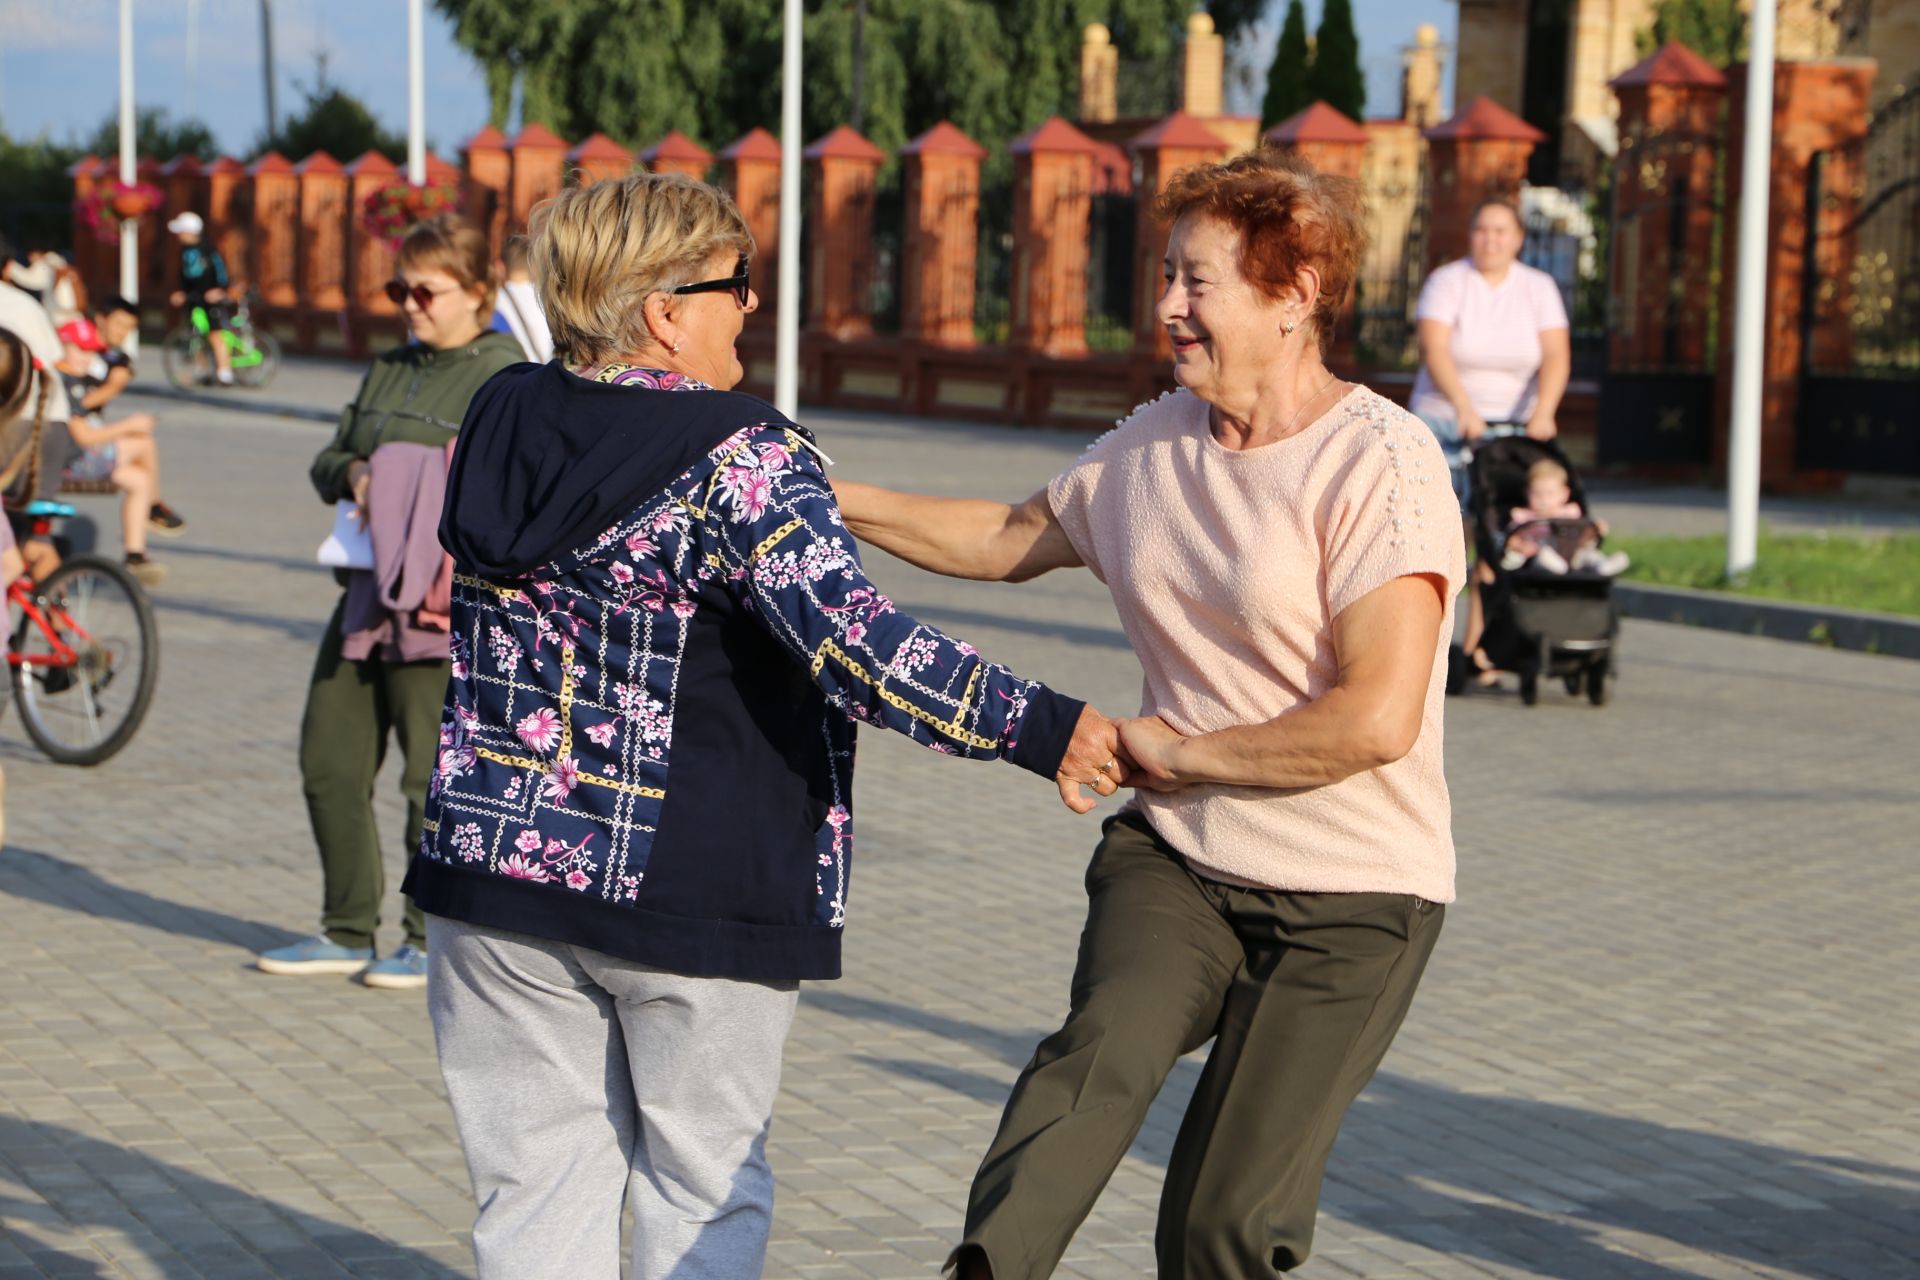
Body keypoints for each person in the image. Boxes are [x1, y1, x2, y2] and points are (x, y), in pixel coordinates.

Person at [401, 172, 1122, 1280]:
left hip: (492, 874)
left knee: (533, 1191)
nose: (749, 305)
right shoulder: (738, 449)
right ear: (664, 311)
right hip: (688, 883)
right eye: (736, 285)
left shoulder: (497, 409)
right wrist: (1048, 726)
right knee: (702, 1192)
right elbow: (858, 645)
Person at [834, 146, 1464, 1279]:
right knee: (1094, 1061)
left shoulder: (1383, 461)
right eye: (1167, 274)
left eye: (1198, 280)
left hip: (1356, 891)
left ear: (1297, 291)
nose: (1168, 305)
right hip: (1181, 854)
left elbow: (1377, 717)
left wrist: (1183, 747)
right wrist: (821, 490)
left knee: (1223, 1217)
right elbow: (998, 539)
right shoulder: (1153, 445)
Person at [254, 214, 524, 990]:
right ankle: (345, 928)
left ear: (478, 291)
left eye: (425, 290)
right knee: (328, 762)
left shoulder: (504, 376)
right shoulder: (389, 366)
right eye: (397, 288)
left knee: (426, 780)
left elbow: (510, 484)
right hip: (367, 591)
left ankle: (421, 936)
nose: (408, 303)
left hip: (445, 609)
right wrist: (359, 475)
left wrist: (413, 476)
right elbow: (329, 455)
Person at [1410, 198, 1570, 662]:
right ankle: (1427, 643)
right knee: (1444, 533)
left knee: (1499, 539)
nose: (1491, 240)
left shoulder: (1537, 288)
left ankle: (1481, 647)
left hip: (1513, 427)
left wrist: (1546, 410)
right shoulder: (1448, 282)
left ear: (1518, 238)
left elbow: (1556, 355)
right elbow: (1434, 347)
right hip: (1448, 419)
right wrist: (1462, 406)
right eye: (1482, 230)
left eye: (1501, 231)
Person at [55, 300, 186, 587]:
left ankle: (135, 555)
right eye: (80, 350)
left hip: (81, 452)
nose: (86, 357)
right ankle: (154, 507)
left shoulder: (113, 360)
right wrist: (125, 420)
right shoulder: (62, 378)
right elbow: (82, 432)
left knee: (139, 478)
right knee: (142, 441)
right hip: (70, 457)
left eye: (130, 328)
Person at [0, 262, 78, 581]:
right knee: (36, 539)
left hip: (14, 425)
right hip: (54, 422)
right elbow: (56, 359)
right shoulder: (25, 303)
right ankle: (60, 630)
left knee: (16, 547)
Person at [1500, 457, 1628, 576]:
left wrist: (1597, 530)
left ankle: (1603, 566)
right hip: (1540, 555)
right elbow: (1511, 539)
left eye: (1550, 494)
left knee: (1589, 554)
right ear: (1527, 493)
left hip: (1573, 553)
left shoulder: (1570, 513)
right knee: (1544, 554)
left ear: (1564, 494)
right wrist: (1519, 546)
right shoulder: (1524, 516)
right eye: (1537, 494)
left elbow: (1583, 537)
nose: (1544, 500)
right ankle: (1559, 569)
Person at [165, 212, 235, 386]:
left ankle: (225, 372)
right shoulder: (184, 251)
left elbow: (221, 271)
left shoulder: (208, 249)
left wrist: (220, 290)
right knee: (195, 334)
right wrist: (180, 292)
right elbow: (184, 276)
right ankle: (202, 369)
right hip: (194, 299)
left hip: (210, 299)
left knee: (215, 335)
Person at [489, 235, 552, 363]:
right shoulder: (550, 297)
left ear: (500, 266)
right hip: (550, 372)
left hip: (516, 372)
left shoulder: (494, 300)